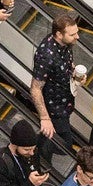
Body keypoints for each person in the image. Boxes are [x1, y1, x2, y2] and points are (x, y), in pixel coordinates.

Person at [30, 13, 83, 144]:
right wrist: (45, 118)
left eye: (76, 32)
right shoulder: (47, 56)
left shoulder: (65, 44)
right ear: (59, 34)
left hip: (65, 102)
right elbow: (35, 88)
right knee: (63, 144)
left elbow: (67, 63)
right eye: (72, 35)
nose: (77, 37)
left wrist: (75, 73)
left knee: (55, 142)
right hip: (54, 108)